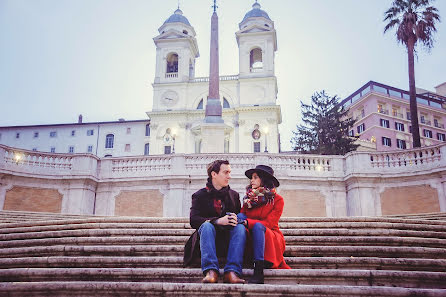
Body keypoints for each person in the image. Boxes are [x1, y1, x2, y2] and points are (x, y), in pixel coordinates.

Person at [183, 160, 246, 284]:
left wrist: (235, 219)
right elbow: (194, 220)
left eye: (230, 172)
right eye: (226, 172)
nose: (229, 176)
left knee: (240, 228)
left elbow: (239, 217)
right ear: (214, 174)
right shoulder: (199, 195)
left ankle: (232, 272)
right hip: (207, 241)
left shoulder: (234, 195)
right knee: (206, 226)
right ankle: (211, 271)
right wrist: (217, 221)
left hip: (227, 242)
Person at [237, 165, 290, 284]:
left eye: (255, 177)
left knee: (258, 226)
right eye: (251, 178)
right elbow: (242, 215)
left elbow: (269, 223)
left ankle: (258, 271)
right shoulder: (248, 199)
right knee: (239, 218)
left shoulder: (277, 200)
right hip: (252, 236)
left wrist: (247, 222)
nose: (251, 180)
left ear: (264, 179)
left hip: (270, 237)